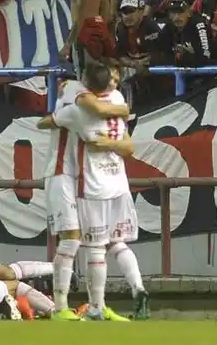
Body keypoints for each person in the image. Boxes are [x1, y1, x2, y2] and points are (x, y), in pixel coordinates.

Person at [49, 62, 147, 321]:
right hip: (66, 175)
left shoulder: (83, 104)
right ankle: (63, 307)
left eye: (117, 78)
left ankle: (97, 306)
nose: (115, 82)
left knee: (102, 244)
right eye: (111, 78)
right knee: (80, 241)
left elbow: (44, 122)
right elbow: (126, 141)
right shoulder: (95, 97)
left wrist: (103, 139)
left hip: (90, 181)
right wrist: (120, 114)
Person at [35, 78, 130, 321]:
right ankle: (60, 308)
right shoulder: (74, 102)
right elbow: (42, 122)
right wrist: (59, 118)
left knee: (96, 243)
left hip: (85, 178)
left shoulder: (90, 106)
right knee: (71, 239)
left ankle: (98, 307)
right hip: (61, 174)